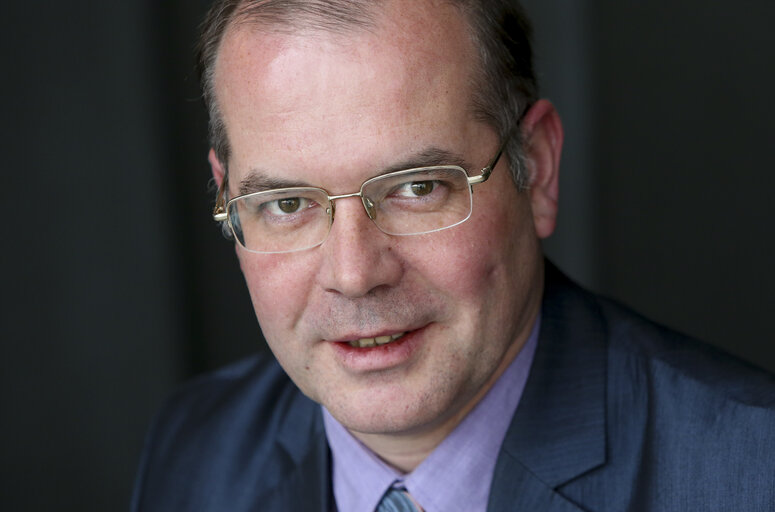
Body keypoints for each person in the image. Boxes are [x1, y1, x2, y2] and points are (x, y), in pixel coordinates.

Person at [131, 1, 775, 510]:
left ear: (539, 170)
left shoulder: (750, 472)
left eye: (418, 188)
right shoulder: (194, 447)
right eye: (287, 203)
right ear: (226, 197)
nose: (354, 276)